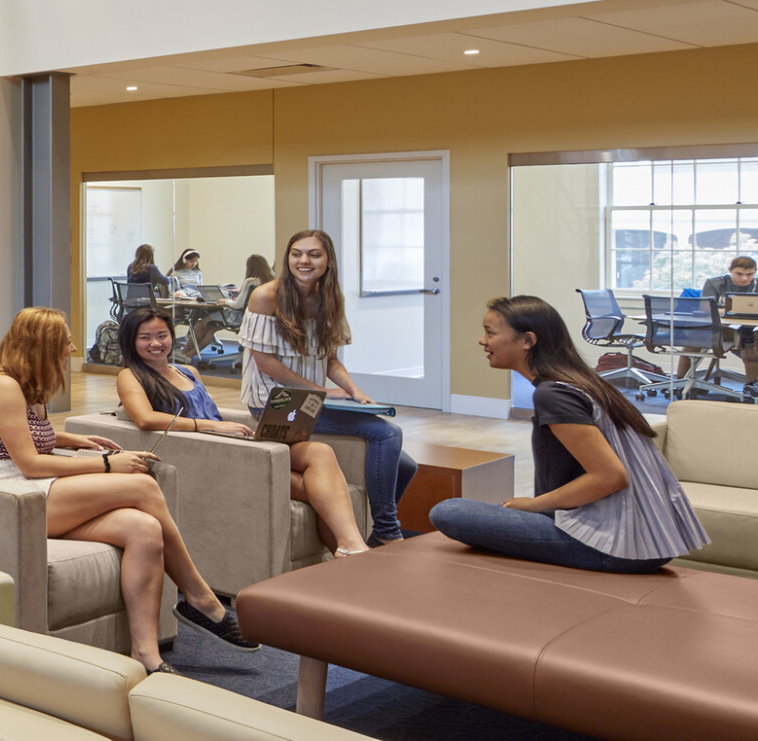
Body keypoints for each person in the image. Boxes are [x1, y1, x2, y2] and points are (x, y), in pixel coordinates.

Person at [0, 307, 259, 674]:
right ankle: (200, 597)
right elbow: (29, 463)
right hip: (7, 495)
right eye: (66, 341)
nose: (73, 348)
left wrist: (70, 438)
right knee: (141, 484)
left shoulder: (31, 387)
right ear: (42, 344)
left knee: (145, 529)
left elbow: (19, 435)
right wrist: (108, 463)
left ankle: (146, 655)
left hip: (32, 486)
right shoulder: (4, 385)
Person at [431, 296, 708, 572]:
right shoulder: (581, 382)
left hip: (615, 545)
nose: (483, 341)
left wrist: (534, 505)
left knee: (450, 512)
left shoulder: (553, 394)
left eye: (490, 333)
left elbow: (611, 476)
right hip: (645, 538)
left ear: (527, 340)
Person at [114, 306, 369, 556]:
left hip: (232, 441)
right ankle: (349, 553)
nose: (156, 343)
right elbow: (146, 419)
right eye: (145, 337)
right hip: (210, 452)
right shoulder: (130, 376)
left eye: (162, 335)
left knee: (320, 452)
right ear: (131, 341)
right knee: (321, 491)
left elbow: (208, 408)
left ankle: (352, 546)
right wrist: (210, 425)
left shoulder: (188, 371)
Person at [241, 228, 417, 543]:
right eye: (296, 254)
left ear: (328, 261)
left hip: (309, 400)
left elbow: (330, 359)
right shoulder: (266, 296)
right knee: (388, 433)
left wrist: (354, 391)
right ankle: (388, 533)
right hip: (275, 404)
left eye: (313, 254)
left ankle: (375, 529)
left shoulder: (329, 299)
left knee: (406, 465)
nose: (303, 260)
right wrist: (319, 391)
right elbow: (266, 363)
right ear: (287, 258)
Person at [700, 255, 758, 392]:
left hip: (749, 329)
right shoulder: (714, 283)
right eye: (739, 274)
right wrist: (731, 310)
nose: (744, 278)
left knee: (749, 344)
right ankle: (680, 380)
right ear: (730, 270)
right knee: (692, 342)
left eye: (749, 274)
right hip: (719, 329)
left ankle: (751, 386)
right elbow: (705, 308)